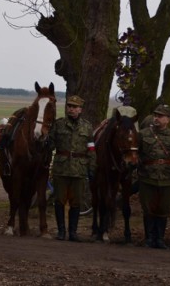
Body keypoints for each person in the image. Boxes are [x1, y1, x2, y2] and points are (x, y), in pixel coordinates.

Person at [137, 104, 170, 249]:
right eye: (155, 115)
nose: (157, 118)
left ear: (168, 119)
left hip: (167, 179)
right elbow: (135, 155)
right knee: (148, 209)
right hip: (147, 177)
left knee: (163, 209)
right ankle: (149, 239)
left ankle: (159, 239)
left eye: (160, 116)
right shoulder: (143, 134)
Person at [48, 95, 96, 242]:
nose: (71, 109)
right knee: (59, 201)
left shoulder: (87, 127)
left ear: (80, 109)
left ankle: (73, 233)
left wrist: (92, 168)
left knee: (76, 202)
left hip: (79, 170)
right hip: (61, 168)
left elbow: (91, 149)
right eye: (69, 106)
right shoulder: (58, 124)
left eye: (74, 107)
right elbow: (50, 145)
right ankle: (61, 231)